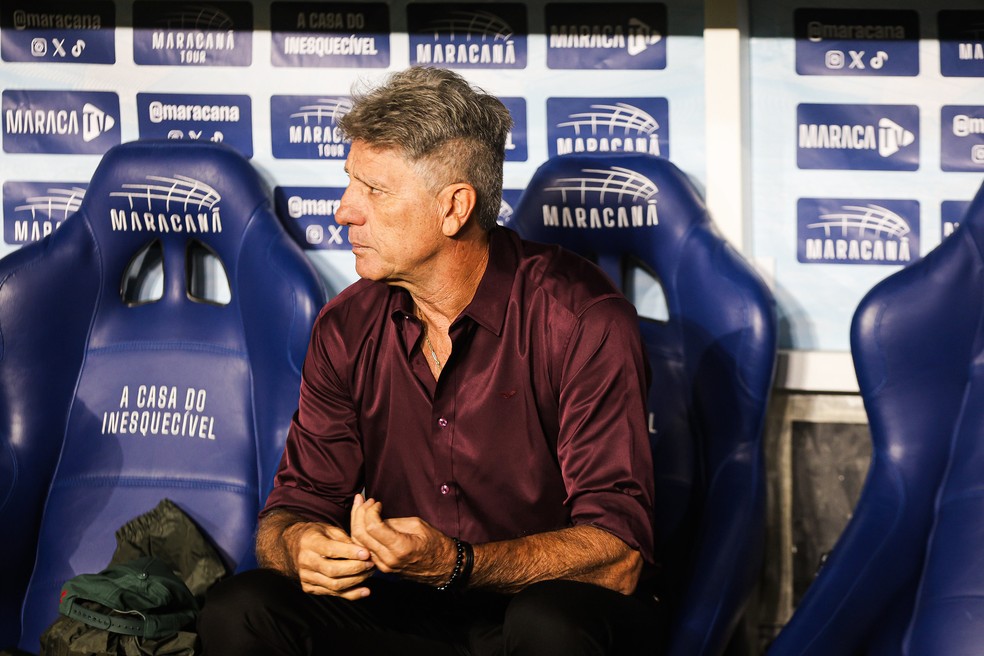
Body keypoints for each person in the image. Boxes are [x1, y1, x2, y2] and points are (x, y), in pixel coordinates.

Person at [198, 66, 658, 655]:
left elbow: (618, 554)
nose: (344, 211)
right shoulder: (345, 326)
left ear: (454, 208)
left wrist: (458, 563)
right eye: (349, 182)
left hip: (535, 611)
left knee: (550, 624)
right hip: (408, 610)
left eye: (374, 190)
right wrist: (300, 546)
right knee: (241, 608)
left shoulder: (581, 319)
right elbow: (291, 510)